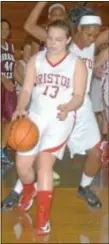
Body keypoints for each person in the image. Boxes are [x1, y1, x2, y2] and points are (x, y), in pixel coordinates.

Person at [12, 20, 87, 234]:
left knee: (44, 165)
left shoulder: (76, 63)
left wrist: (68, 107)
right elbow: (26, 90)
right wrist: (20, 108)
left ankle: (42, 221)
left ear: (68, 40)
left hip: (60, 118)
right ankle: (29, 189)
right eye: (50, 38)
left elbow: (79, 96)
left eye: (58, 40)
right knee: (23, 167)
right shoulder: (37, 59)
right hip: (35, 116)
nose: (53, 43)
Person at [1, 19, 16, 172]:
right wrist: (3, 79)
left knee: (8, 120)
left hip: (9, 87)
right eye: (1, 28)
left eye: (7, 28)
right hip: (2, 84)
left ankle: (2, 150)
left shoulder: (11, 47)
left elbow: (13, 68)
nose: (4, 31)